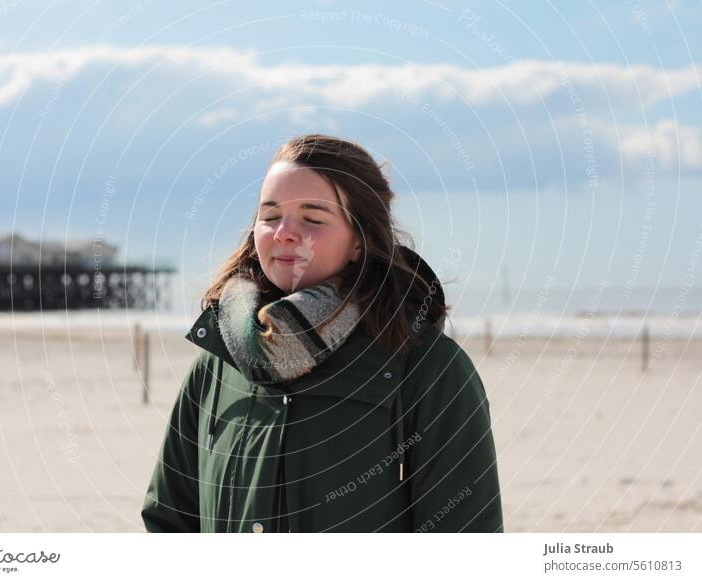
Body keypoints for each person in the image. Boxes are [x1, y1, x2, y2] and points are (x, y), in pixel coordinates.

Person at [141, 134, 503, 533]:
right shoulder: (219, 361)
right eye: (270, 215)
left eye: (312, 218)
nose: (284, 233)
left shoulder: (428, 369)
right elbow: (169, 519)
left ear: (360, 241)